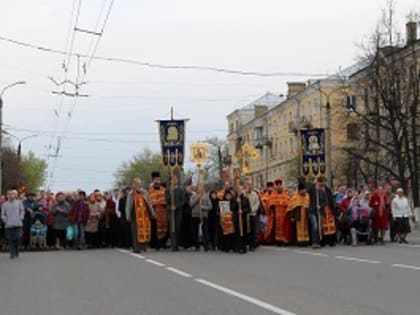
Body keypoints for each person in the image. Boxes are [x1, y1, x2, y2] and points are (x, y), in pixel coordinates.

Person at [126, 178, 156, 253]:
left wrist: (152, 213)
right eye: (136, 184)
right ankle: (136, 248)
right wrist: (128, 215)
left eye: (139, 183)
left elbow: (149, 203)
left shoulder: (145, 192)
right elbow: (128, 205)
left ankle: (144, 247)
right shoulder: (131, 193)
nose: (138, 185)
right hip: (135, 215)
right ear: (134, 184)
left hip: (145, 215)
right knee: (135, 232)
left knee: (145, 231)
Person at [308, 177, 336, 248]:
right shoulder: (313, 190)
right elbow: (309, 191)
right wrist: (313, 184)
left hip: (320, 211)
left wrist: (320, 206)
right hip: (312, 211)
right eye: (321, 182)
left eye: (324, 181)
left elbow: (326, 201)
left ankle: (320, 241)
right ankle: (315, 242)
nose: (323, 183)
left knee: (319, 227)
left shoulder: (323, 191)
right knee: (315, 226)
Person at [1, 189, 25, 259]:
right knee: (10, 240)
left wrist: (21, 218)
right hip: (9, 225)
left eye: (12, 194)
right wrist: (5, 220)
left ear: (15, 195)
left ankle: (16, 251)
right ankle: (12, 253)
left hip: (18, 224)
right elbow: (3, 214)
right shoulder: (5, 204)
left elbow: (22, 211)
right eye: (9, 194)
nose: (11, 195)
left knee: (17, 238)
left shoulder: (19, 203)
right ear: (7, 195)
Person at [165, 175, 185, 251]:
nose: (174, 181)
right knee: (172, 228)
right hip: (170, 211)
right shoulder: (167, 190)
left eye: (175, 179)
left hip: (178, 211)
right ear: (170, 181)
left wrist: (176, 206)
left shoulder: (180, 190)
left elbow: (182, 201)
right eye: (173, 179)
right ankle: (173, 245)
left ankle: (177, 244)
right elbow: (167, 200)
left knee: (177, 228)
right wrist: (170, 192)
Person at [149, 172, 168, 250]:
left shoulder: (164, 189)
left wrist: (162, 203)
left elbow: (166, 199)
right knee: (154, 228)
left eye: (158, 180)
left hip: (163, 212)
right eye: (155, 180)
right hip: (154, 212)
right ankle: (156, 244)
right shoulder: (150, 190)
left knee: (164, 227)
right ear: (153, 181)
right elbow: (149, 201)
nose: (157, 181)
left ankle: (163, 243)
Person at [269, 179, 290, 246]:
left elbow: (289, 202)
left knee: (284, 227)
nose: (279, 187)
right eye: (278, 186)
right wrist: (279, 203)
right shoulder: (273, 194)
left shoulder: (286, 193)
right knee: (278, 227)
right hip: (277, 213)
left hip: (284, 213)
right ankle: (278, 240)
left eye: (280, 185)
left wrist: (282, 202)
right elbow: (271, 203)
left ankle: (285, 240)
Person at [245, 180, 260, 251]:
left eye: (250, 185)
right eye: (248, 184)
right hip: (246, 214)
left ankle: (252, 244)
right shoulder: (244, 193)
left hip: (252, 214)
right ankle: (247, 243)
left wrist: (253, 210)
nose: (249, 186)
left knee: (253, 229)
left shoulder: (255, 194)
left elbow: (257, 203)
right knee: (246, 230)